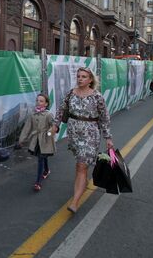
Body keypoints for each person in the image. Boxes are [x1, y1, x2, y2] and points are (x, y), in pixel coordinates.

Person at [52, 67, 113, 213]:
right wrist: (55, 125)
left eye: (84, 76)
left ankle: (75, 202)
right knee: (80, 165)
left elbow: (104, 118)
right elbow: (61, 110)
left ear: (90, 80)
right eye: (78, 76)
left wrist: (108, 137)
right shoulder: (70, 94)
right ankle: (82, 182)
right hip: (73, 133)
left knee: (81, 165)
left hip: (90, 134)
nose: (80, 79)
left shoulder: (97, 96)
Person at [19, 93, 56, 191]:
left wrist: (49, 133)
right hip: (36, 140)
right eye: (37, 100)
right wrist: (22, 139)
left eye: (41, 101)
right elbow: (27, 127)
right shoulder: (33, 114)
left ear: (46, 104)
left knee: (41, 158)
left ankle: (38, 182)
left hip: (45, 140)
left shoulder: (48, 114)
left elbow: (54, 125)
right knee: (42, 156)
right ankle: (47, 170)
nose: (38, 103)